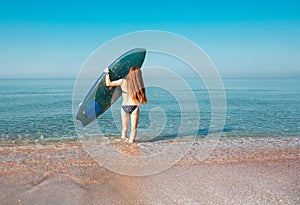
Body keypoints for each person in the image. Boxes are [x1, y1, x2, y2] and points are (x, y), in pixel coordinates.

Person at [105, 66, 148, 143]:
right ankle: (132, 143)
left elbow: (108, 84)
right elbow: (141, 98)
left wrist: (107, 73)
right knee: (133, 128)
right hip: (134, 106)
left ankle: (123, 143)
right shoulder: (139, 85)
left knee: (124, 129)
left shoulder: (122, 81)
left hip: (124, 107)